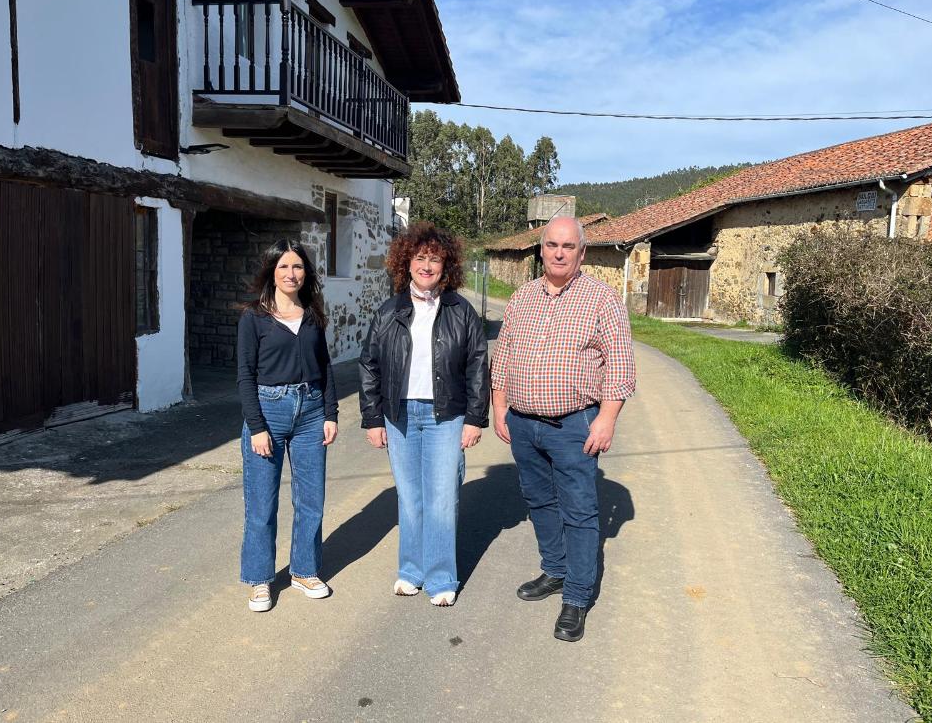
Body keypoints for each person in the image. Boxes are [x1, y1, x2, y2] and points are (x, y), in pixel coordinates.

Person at [491, 216, 636, 641]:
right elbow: (504, 355)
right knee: (539, 502)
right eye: (551, 244)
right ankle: (554, 570)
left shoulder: (602, 299)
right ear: (541, 249)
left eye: (567, 246)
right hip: (522, 424)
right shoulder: (522, 297)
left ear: (582, 252)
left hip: (575, 426)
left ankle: (576, 596)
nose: (558, 252)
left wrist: (606, 419)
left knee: (579, 510)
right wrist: (500, 407)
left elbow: (620, 366)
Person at [359, 223, 489, 607]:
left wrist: (474, 418)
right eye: (420, 258)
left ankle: (441, 577)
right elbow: (369, 365)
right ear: (407, 263)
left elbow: (478, 365)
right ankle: (410, 570)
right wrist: (372, 419)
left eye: (434, 258)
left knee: (441, 497)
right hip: (399, 414)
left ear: (446, 264)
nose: (427, 265)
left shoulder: (460, 311)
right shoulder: (389, 312)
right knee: (410, 496)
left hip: (446, 414)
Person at [236, 239, 339, 612]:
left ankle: (304, 570)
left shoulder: (312, 314)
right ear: (272, 272)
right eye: (283, 267)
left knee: (311, 501)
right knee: (262, 504)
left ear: (305, 273)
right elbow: (245, 376)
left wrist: (330, 414)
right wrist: (257, 426)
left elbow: (325, 367)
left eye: (297, 267)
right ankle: (260, 579)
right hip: (269, 411)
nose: (291, 274)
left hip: (311, 411)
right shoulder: (254, 317)